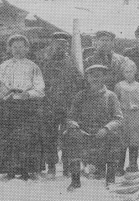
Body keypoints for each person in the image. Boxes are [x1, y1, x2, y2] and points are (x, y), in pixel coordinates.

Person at [0, 34, 45, 181]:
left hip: (27, 107)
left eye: (21, 47)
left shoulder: (33, 67)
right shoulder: (3, 66)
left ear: (27, 49)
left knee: (26, 138)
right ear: (9, 49)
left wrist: (29, 94)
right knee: (7, 138)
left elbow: (40, 89)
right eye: (14, 47)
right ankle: (8, 170)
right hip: (7, 107)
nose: (18, 50)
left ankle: (26, 171)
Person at [65, 64, 123, 191]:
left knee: (115, 137)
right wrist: (75, 126)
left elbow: (118, 119)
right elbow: (71, 117)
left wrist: (106, 128)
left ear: (104, 78)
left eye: (99, 76)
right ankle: (75, 181)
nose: (95, 79)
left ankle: (110, 180)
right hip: (84, 134)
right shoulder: (80, 95)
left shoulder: (111, 96)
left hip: (103, 134)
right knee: (70, 136)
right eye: (92, 76)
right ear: (87, 78)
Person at [40, 32, 82, 178]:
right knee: (50, 137)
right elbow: (40, 84)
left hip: (67, 107)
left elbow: (79, 81)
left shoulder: (71, 62)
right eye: (58, 44)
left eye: (64, 45)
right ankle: (51, 166)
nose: (61, 47)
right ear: (53, 45)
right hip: (50, 106)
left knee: (68, 137)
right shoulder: (45, 63)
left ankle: (66, 167)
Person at [114, 61, 139, 175]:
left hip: (135, 117)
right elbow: (115, 102)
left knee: (134, 141)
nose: (129, 74)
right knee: (122, 142)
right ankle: (119, 167)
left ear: (135, 72)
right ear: (123, 73)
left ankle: (133, 165)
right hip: (123, 116)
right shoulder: (119, 86)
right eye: (126, 72)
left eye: (131, 72)